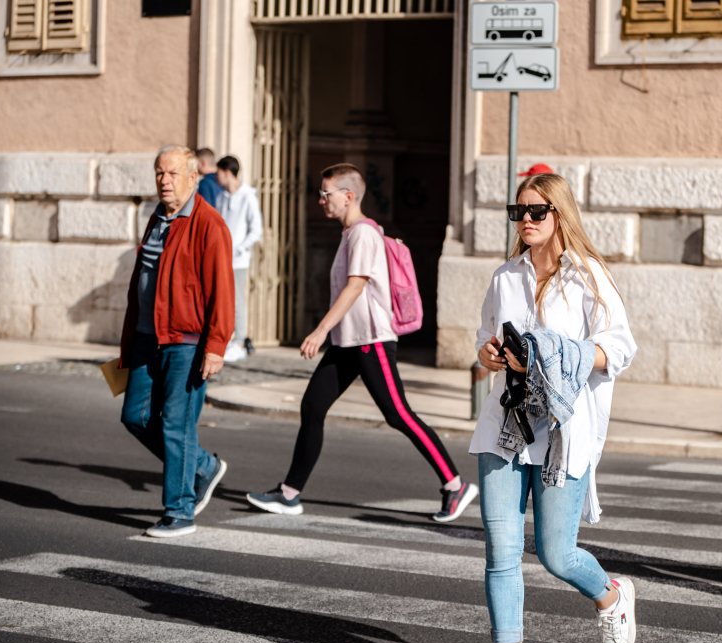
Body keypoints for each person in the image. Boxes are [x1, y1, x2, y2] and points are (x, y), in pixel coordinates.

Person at [464, 173, 638, 643]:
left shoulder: (588, 278)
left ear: (559, 214)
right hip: (507, 426)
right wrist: (488, 356)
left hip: (563, 433)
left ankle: (612, 598)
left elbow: (621, 349)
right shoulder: (504, 276)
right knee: (500, 551)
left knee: (557, 554)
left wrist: (560, 353)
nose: (526, 221)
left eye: (537, 212)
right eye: (519, 212)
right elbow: (482, 342)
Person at [244, 164, 476, 523]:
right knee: (313, 407)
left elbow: (356, 285)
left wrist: (320, 331)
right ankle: (289, 493)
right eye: (321, 194)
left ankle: (454, 484)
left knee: (398, 414)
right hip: (348, 342)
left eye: (326, 194)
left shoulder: (364, 234)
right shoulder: (351, 233)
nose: (321, 200)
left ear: (348, 196)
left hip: (371, 341)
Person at [119, 145, 235, 538]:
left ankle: (180, 511)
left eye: (171, 174)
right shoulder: (158, 217)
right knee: (134, 416)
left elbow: (223, 290)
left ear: (192, 178)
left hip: (187, 341)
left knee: (176, 425)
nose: (164, 181)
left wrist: (216, 345)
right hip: (147, 338)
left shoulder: (209, 223)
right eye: (158, 174)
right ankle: (203, 466)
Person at [215, 155, 263, 363]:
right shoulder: (221, 197)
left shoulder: (248, 196)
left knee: (236, 301)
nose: (216, 177)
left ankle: (240, 342)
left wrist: (238, 249)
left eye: (218, 172)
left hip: (238, 260)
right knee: (221, 300)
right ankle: (226, 338)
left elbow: (256, 230)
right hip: (221, 259)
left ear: (227, 172)